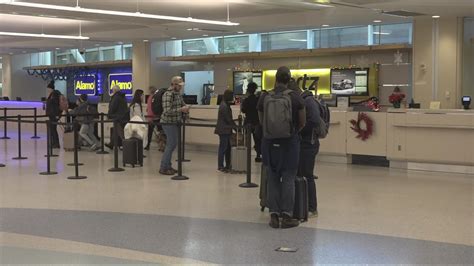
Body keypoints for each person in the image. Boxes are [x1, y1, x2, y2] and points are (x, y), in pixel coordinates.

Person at [257, 66, 306, 229]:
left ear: (275, 79)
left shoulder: (265, 96)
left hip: (269, 144)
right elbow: (302, 122)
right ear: (289, 79)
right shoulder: (295, 97)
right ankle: (286, 216)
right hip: (289, 144)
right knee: (288, 178)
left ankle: (273, 216)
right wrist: (292, 132)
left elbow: (261, 120)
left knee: (272, 178)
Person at [291, 81, 320, 218]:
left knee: (307, 175)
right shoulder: (306, 100)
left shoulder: (308, 102)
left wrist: (299, 129)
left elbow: (314, 120)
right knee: (303, 174)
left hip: (309, 144)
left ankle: (312, 207)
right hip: (306, 143)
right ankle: (303, 204)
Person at [159, 76, 189, 175]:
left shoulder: (178, 94)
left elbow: (182, 104)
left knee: (172, 144)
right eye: (179, 85)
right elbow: (167, 111)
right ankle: (164, 167)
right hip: (168, 122)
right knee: (171, 144)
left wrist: (186, 108)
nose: (181, 87)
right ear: (174, 84)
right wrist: (181, 110)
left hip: (175, 122)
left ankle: (168, 165)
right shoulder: (168, 95)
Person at [214, 89, 237, 173]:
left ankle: (227, 165)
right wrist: (236, 128)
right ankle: (220, 166)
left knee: (227, 148)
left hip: (225, 129)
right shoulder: (224, 106)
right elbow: (228, 119)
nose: (232, 97)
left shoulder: (224, 104)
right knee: (223, 148)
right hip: (224, 130)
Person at [241, 82, 262, 162]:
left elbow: (243, 110)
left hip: (248, 122)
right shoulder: (258, 99)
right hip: (256, 122)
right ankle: (258, 155)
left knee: (247, 139)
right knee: (257, 139)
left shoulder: (246, 100)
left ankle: (246, 154)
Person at [45, 81, 61, 149]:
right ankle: (54, 143)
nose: (47, 90)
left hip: (54, 114)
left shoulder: (54, 94)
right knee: (53, 129)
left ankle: (56, 143)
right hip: (53, 114)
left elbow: (55, 105)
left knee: (53, 129)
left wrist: (57, 114)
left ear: (51, 88)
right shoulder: (53, 94)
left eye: (48, 88)